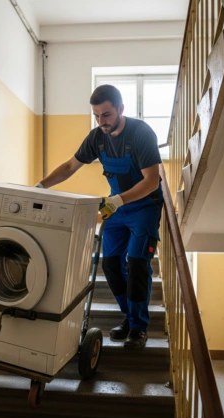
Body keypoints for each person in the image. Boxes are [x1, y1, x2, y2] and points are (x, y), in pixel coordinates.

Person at [36, 84, 163, 350]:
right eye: (96, 115)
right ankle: (129, 317)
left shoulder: (141, 134)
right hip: (117, 208)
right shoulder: (97, 138)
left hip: (144, 207)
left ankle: (139, 327)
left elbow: (152, 181)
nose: (101, 121)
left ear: (120, 109)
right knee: (111, 265)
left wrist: (118, 200)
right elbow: (70, 166)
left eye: (106, 114)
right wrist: (41, 186)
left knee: (137, 264)